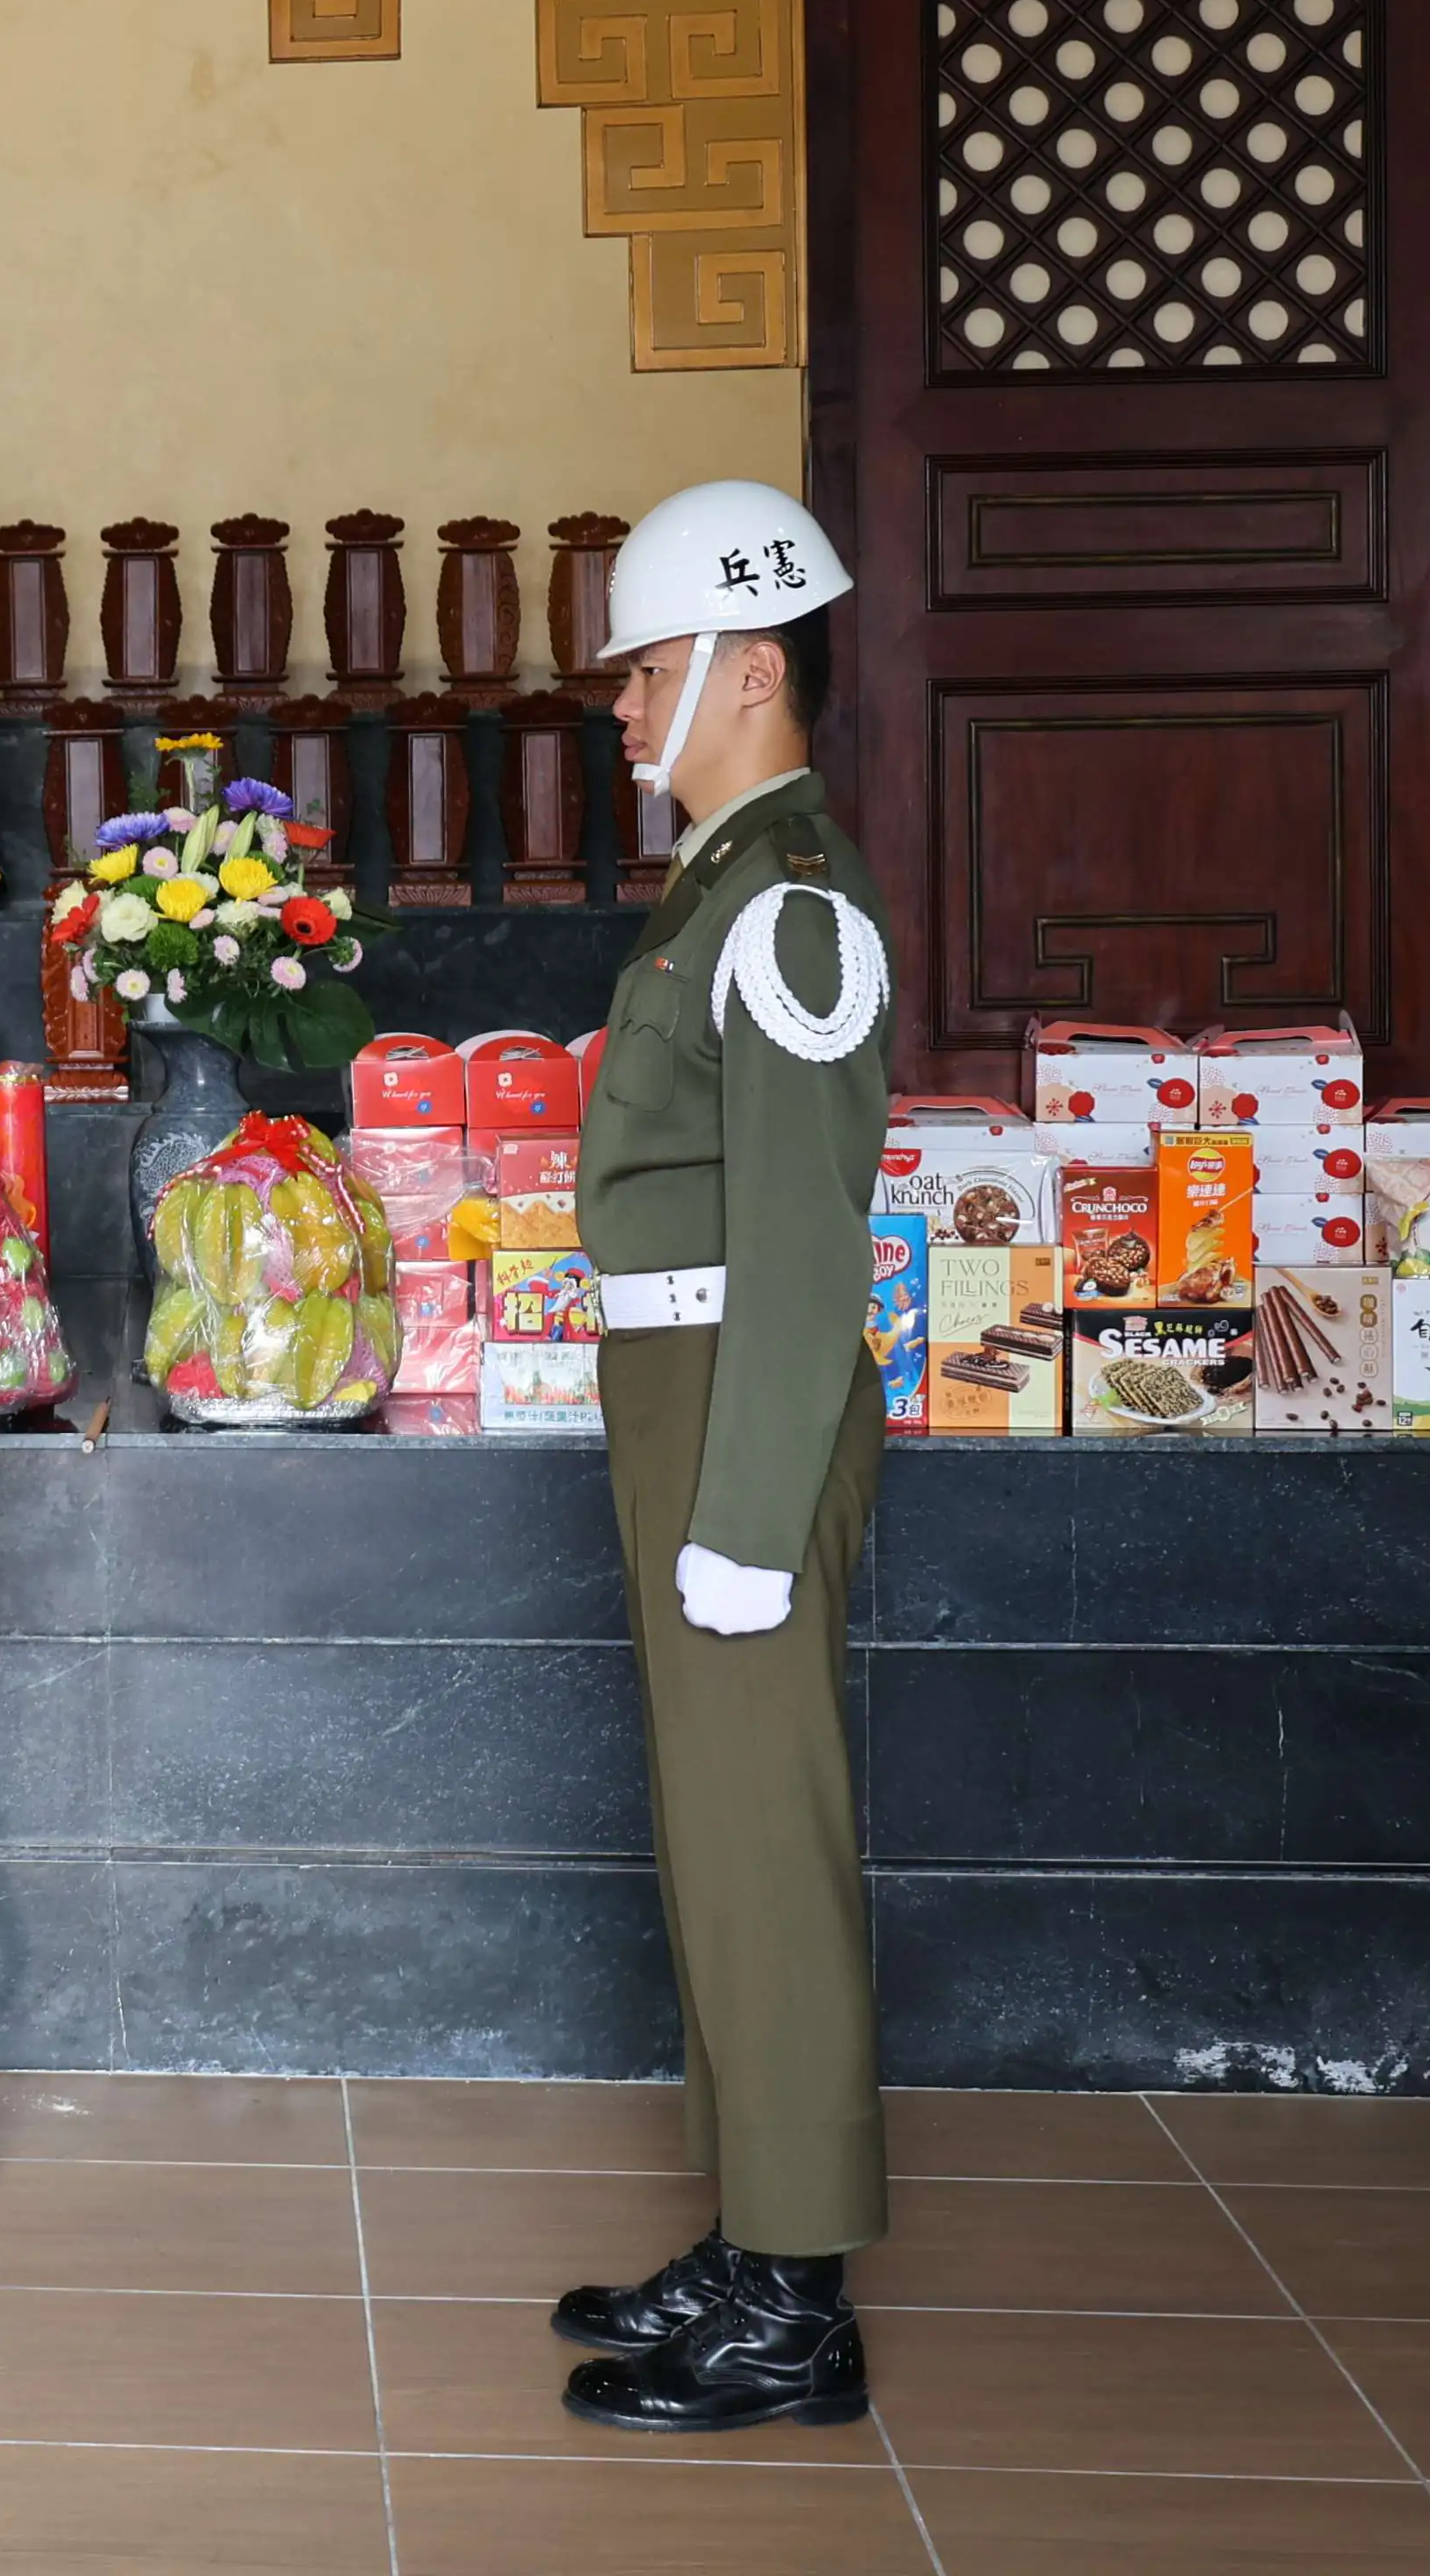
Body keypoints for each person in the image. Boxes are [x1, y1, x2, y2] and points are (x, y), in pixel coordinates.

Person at [553, 477, 897, 2436]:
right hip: (681, 1387)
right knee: (715, 1824)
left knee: (767, 1834)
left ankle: (800, 2302)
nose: (624, 706)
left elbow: (805, 1237)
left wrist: (752, 1513)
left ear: (750, 670)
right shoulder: (721, 890)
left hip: (740, 1404)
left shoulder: (792, 910)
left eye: (649, 668)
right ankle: (752, 2232)